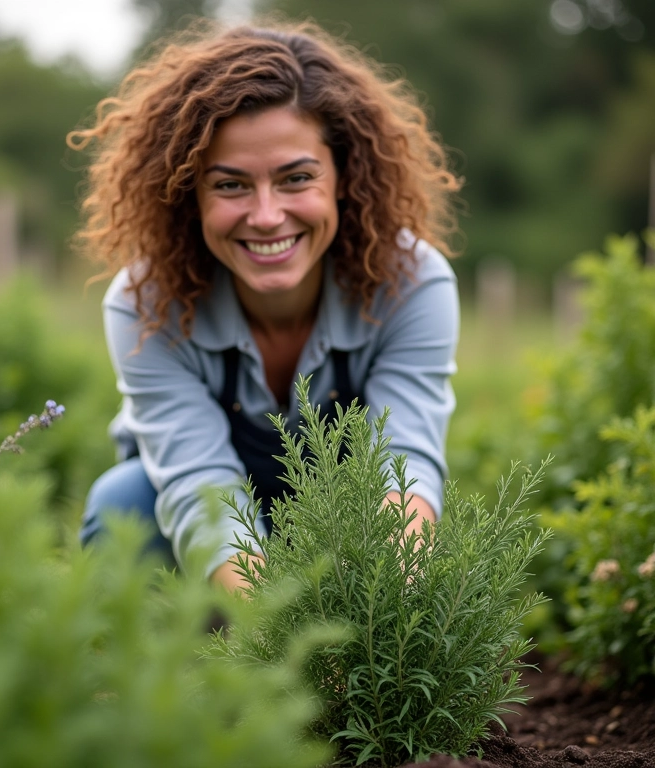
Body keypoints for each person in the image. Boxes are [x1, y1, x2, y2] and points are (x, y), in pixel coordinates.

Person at [69, 19, 462, 592]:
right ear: (190, 195)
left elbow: (402, 469)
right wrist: (281, 640)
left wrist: (386, 623)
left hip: (342, 528)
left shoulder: (412, 282)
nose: (267, 215)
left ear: (344, 176)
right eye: (230, 185)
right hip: (210, 550)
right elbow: (200, 485)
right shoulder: (143, 302)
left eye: (296, 178)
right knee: (121, 501)